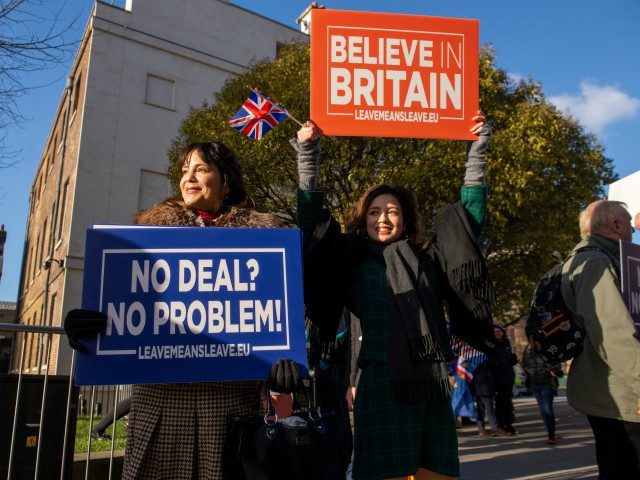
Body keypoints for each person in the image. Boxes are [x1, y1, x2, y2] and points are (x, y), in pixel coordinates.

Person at [291, 113, 493, 480]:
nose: (383, 218)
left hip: (430, 384)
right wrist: (308, 155)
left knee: (434, 472)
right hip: (379, 384)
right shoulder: (350, 259)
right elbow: (311, 224)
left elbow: (468, 224)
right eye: (374, 211)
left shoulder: (428, 259)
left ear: (405, 218)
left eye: (392, 211)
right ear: (363, 217)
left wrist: (476, 152)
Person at [66, 141, 283, 479]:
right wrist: (88, 327)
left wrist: (283, 363)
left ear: (225, 182)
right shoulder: (147, 237)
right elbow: (126, 307)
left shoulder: (260, 242)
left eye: (201, 169)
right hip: (161, 408)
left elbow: (271, 317)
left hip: (227, 410)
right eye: (185, 170)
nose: (189, 177)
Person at [560, 200, 640, 478]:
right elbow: (615, 335)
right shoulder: (596, 263)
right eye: (629, 222)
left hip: (616, 391)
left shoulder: (594, 259)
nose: (632, 228)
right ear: (616, 225)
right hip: (623, 397)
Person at [521, 336, 563, 445]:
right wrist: (527, 373)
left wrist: (553, 370)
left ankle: (551, 435)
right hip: (534, 383)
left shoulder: (547, 348)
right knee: (543, 409)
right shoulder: (527, 350)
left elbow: (555, 363)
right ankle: (551, 431)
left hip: (546, 382)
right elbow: (524, 364)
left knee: (547, 408)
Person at [491, 325, 518, 434]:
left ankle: (509, 424)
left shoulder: (506, 344)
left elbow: (510, 360)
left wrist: (513, 358)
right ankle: (501, 424)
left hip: (508, 377)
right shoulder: (491, 345)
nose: (498, 333)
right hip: (497, 378)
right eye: (495, 331)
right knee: (499, 402)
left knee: (508, 402)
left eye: (499, 331)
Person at [471, 359, 507, 437]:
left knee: (480, 409)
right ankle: (495, 428)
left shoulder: (471, 359)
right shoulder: (485, 359)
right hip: (484, 386)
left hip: (477, 386)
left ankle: (481, 429)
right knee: (489, 408)